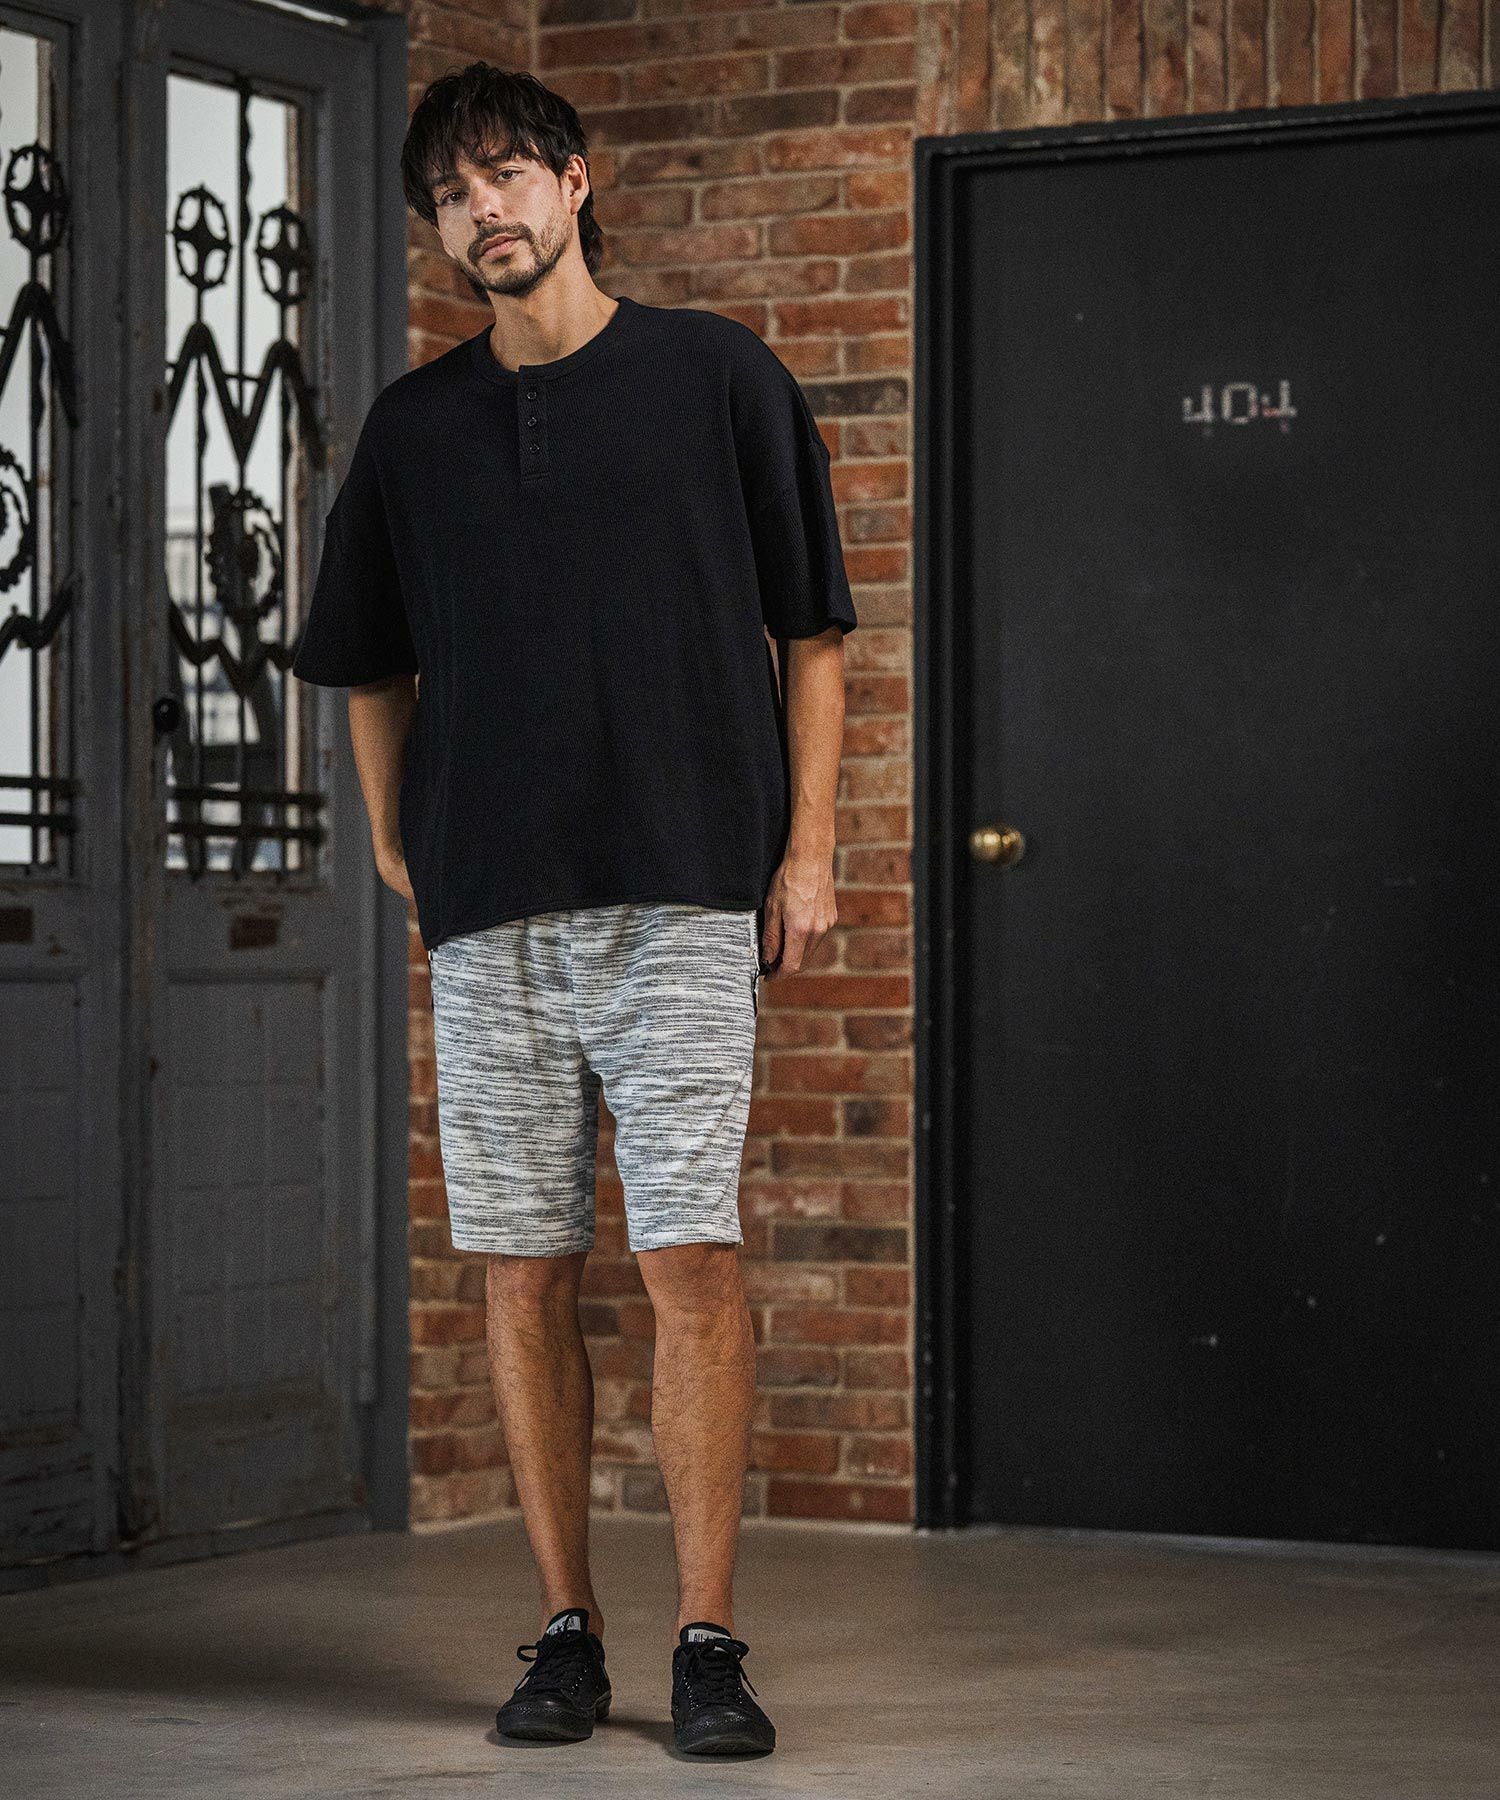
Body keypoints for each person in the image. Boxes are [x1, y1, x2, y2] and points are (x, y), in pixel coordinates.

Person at [292, 62, 857, 1759]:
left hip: (683, 889)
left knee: (690, 1257)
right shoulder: (415, 432)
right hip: (493, 917)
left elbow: (813, 633)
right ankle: (563, 1633)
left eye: (508, 175)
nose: (484, 211)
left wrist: (809, 849)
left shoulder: (716, 376)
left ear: (576, 179)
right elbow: (365, 664)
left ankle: (707, 1640)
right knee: (522, 1273)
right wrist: (396, 836)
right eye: (452, 196)